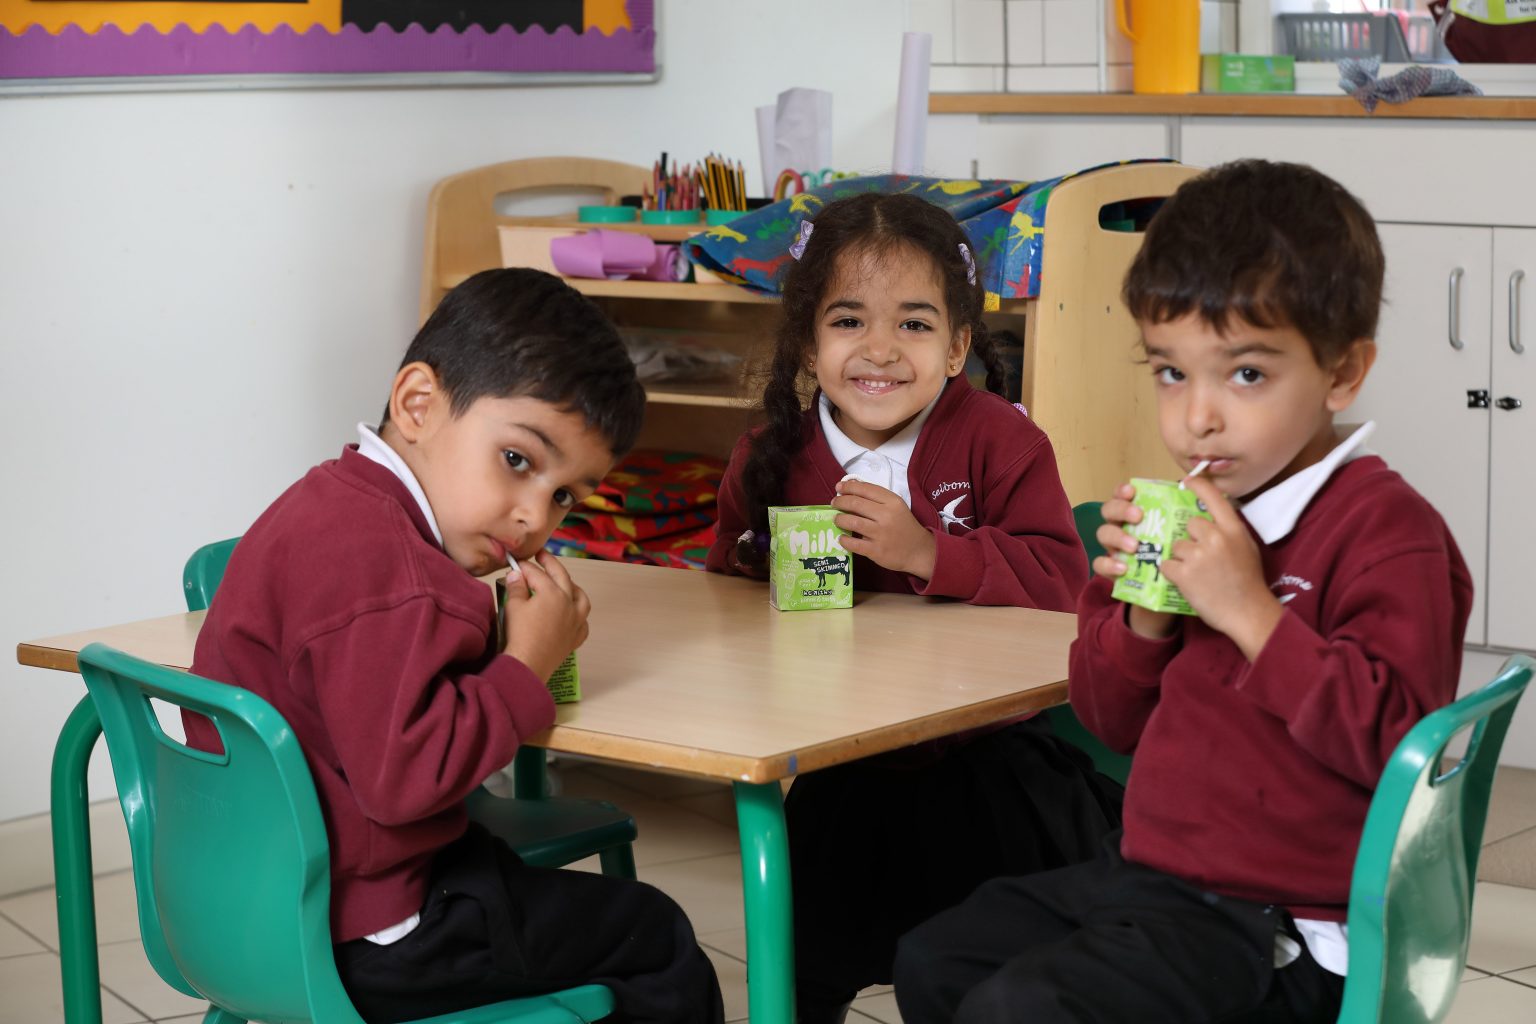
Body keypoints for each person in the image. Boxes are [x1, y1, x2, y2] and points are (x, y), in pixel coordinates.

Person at [893, 159, 1474, 1024]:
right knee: (934, 958)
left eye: (1245, 375)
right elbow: (1108, 720)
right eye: (1170, 371)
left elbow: (1400, 751)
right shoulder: (1191, 518)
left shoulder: (1391, 536)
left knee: (1020, 1008)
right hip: (1157, 877)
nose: (1197, 417)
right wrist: (1143, 617)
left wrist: (1248, 612)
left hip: (1285, 923)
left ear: (1343, 374)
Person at [185, 268, 724, 1024]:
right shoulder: (404, 577)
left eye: (566, 494)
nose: (536, 516)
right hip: (373, 935)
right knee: (654, 930)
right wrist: (526, 663)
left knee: (505, 866)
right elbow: (405, 779)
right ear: (417, 404)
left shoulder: (327, 502)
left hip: (244, 905)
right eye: (518, 461)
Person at [706, 192, 1122, 1023]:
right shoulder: (770, 453)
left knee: (988, 972)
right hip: (844, 765)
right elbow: (723, 588)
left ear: (960, 344)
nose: (881, 351)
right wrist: (761, 564)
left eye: (916, 325)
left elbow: (1062, 583)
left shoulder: (1000, 441)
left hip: (989, 763)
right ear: (808, 340)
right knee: (802, 956)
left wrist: (931, 554)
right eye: (850, 320)